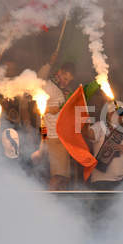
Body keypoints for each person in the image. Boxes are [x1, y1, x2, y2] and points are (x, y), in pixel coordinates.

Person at [35, 60, 75, 190]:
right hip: (53, 136)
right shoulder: (48, 86)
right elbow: (35, 109)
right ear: (60, 72)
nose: (66, 82)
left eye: (69, 80)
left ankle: (58, 207)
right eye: (65, 78)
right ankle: (47, 203)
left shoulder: (63, 90)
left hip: (62, 137)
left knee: (64, 179)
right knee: (58, 177)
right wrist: (49, 109)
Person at [83, 105, 123, 191]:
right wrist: (85, 119)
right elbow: (89, 134)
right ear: (109, 114)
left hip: (122, 181)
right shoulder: (101, 125)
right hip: (102, 180)